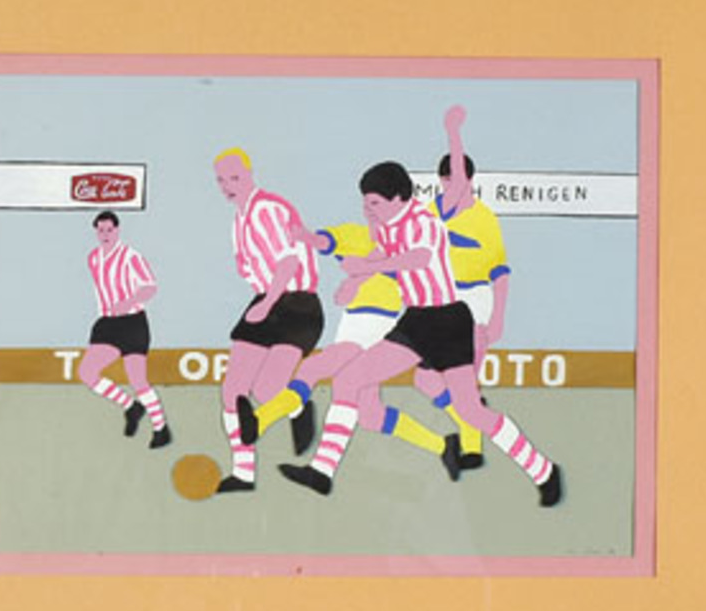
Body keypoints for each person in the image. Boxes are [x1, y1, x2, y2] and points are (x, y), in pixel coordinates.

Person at [280, 161, 561, 507]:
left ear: (399, 198)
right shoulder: (388, 227)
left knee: (471, 411)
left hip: (447, 322)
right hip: (415, 322)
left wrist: (367, 266)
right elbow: (384, 252)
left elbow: (417, 258)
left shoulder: (424, 222)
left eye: (375, 203)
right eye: (365, 202)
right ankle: (322, 472)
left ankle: (542, 470)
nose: (368, 209)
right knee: (349, 380)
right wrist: (355, 280)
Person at [237, 219, 461, 478]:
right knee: (370, 415)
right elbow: (328, 241)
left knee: (313, 368)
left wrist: (356, 281)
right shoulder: (357, 234)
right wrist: (304, 236)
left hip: (379, 322)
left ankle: (262, 421)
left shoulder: (407, 243)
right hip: (352, 322)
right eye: (370, 206)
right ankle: (443, 446)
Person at [212, 147, 323, 493]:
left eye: (234, 177)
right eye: (221, 180)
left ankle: (299, 408)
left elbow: (289, 263)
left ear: (249, 174)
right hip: (266, 300)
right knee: (233, 390)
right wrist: (263, 301)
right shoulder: (238, 221)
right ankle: (243, 474)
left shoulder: (268, 209)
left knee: (267, 389)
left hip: (297, 304)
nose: (227, 186)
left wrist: (268, 303)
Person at [419, 103, 511, 469]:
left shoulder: (484, 219)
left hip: (475, 299)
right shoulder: (433, 211)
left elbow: (500, 270)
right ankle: (468, 416)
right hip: (442, 300)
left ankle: (472, 449)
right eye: (444, 182)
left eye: (454, 180)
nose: (450, 187)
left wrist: (498, 317)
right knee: (427, 379)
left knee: (467, 378)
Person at [76, 210, 171, 448]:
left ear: (117, 230)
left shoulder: (131, 257)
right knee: (87, 373)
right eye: (101, 230)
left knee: (138, 380)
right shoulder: (93, 258)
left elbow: (150, 287)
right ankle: (130, 406)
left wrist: (127, 303)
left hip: (132, 323)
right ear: (96, 231)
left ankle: (161, 429)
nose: (105, 234)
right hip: (107, 324)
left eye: (109, 229)